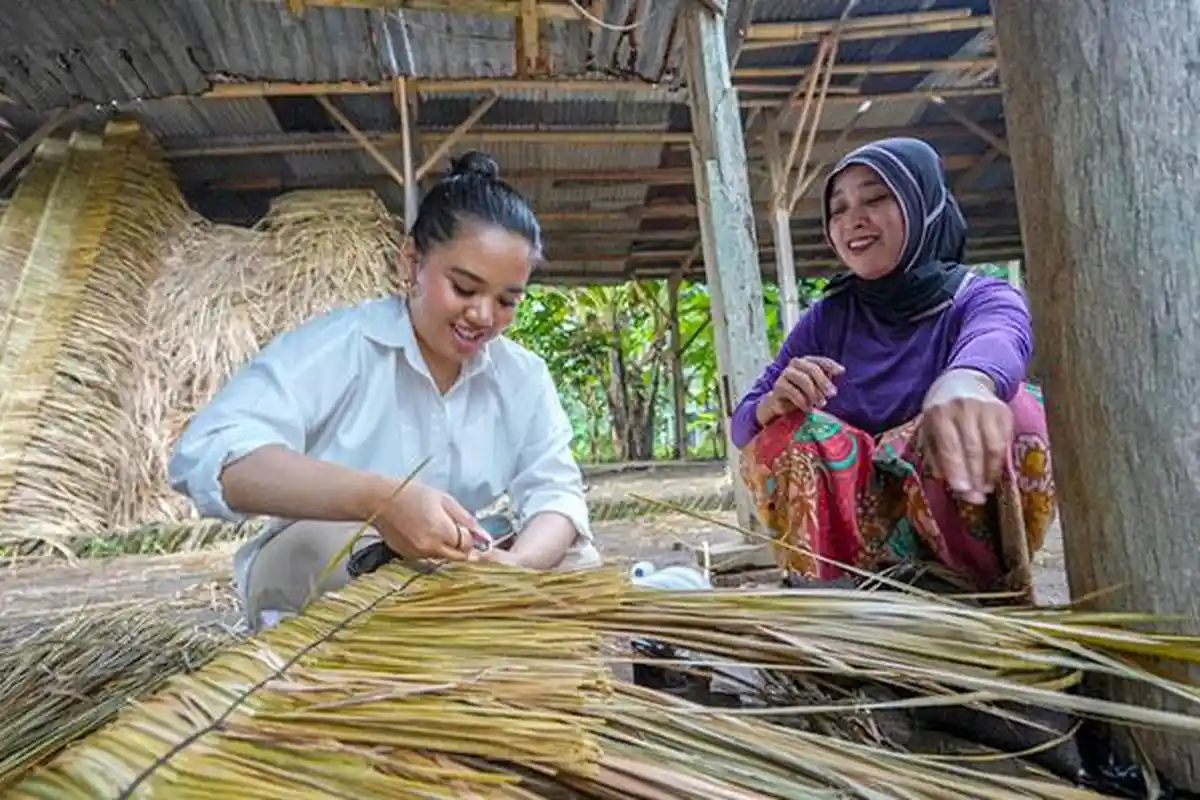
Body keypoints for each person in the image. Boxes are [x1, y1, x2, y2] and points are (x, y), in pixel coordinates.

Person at [168, 151, 600, 630]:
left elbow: (556, 494)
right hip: (334, 570)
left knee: (576, 562)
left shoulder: (522, 376)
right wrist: (379, 500)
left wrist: (517, 569)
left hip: (458, 570)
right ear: (412, 262)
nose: (482, 315)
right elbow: (210, 456)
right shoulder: (340, 348)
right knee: (349, 558)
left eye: (505, 300)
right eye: (463, 288)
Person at [730, 137, 1056, 597]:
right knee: (784, 430)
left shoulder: (979, 297)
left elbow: (1000, 338)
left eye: (876, 197)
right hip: (857, 545)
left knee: (1018, 410)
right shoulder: (828, 318)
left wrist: (966, 383)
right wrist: (770, 403)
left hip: (958, 526)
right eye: (838, 209)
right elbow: (742, 426)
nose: (852, 220)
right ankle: (833, 596)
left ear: (923, 203)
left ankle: (980, 591)